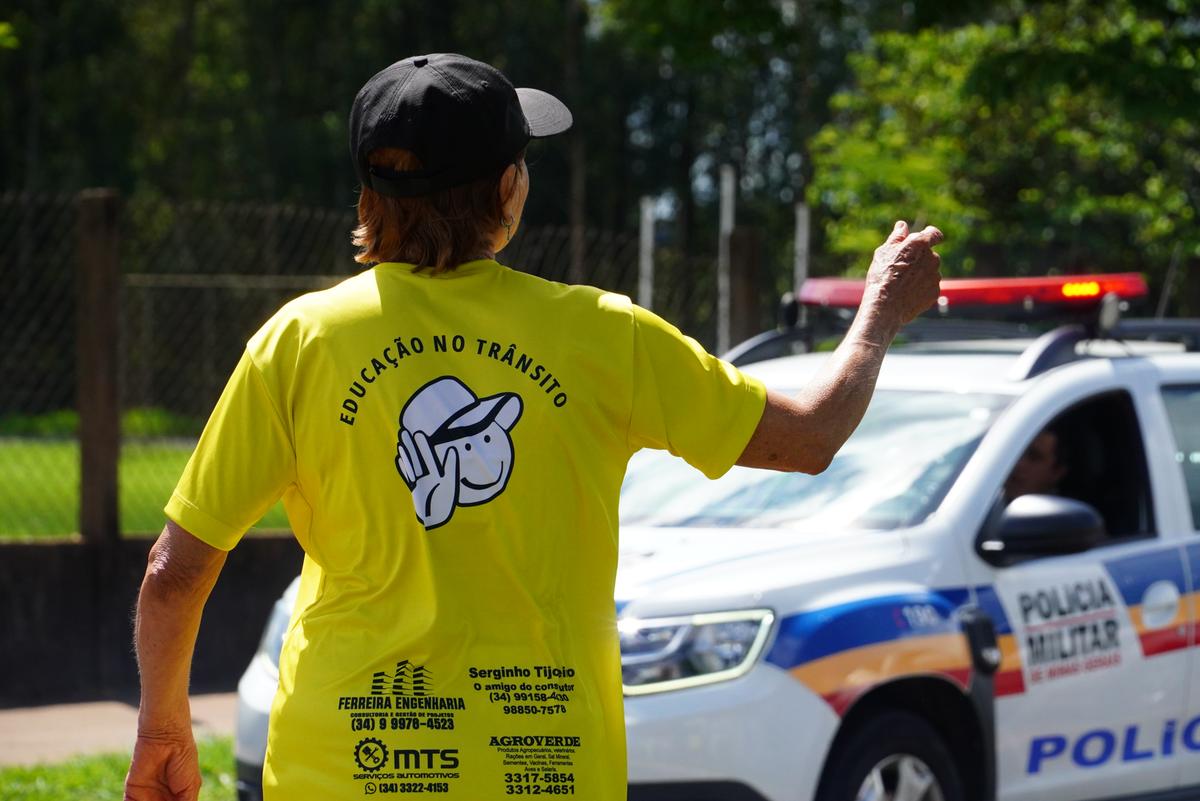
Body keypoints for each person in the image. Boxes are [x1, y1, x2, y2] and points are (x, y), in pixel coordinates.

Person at [124, 53, 942, 801]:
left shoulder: (298, 342)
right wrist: (879, 313)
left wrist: (163, 728)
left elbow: (174, 571)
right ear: (508, 190)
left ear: (370, 196)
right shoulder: (603, 335)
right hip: (547, 767)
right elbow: (811, 436)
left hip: (342, 765)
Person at [1004, 427, 1068, 502]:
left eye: (1034, 457)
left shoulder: (1064, 512)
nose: (1019, 464)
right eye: (1017, 453)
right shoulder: (991, 494)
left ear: (1057, 472)